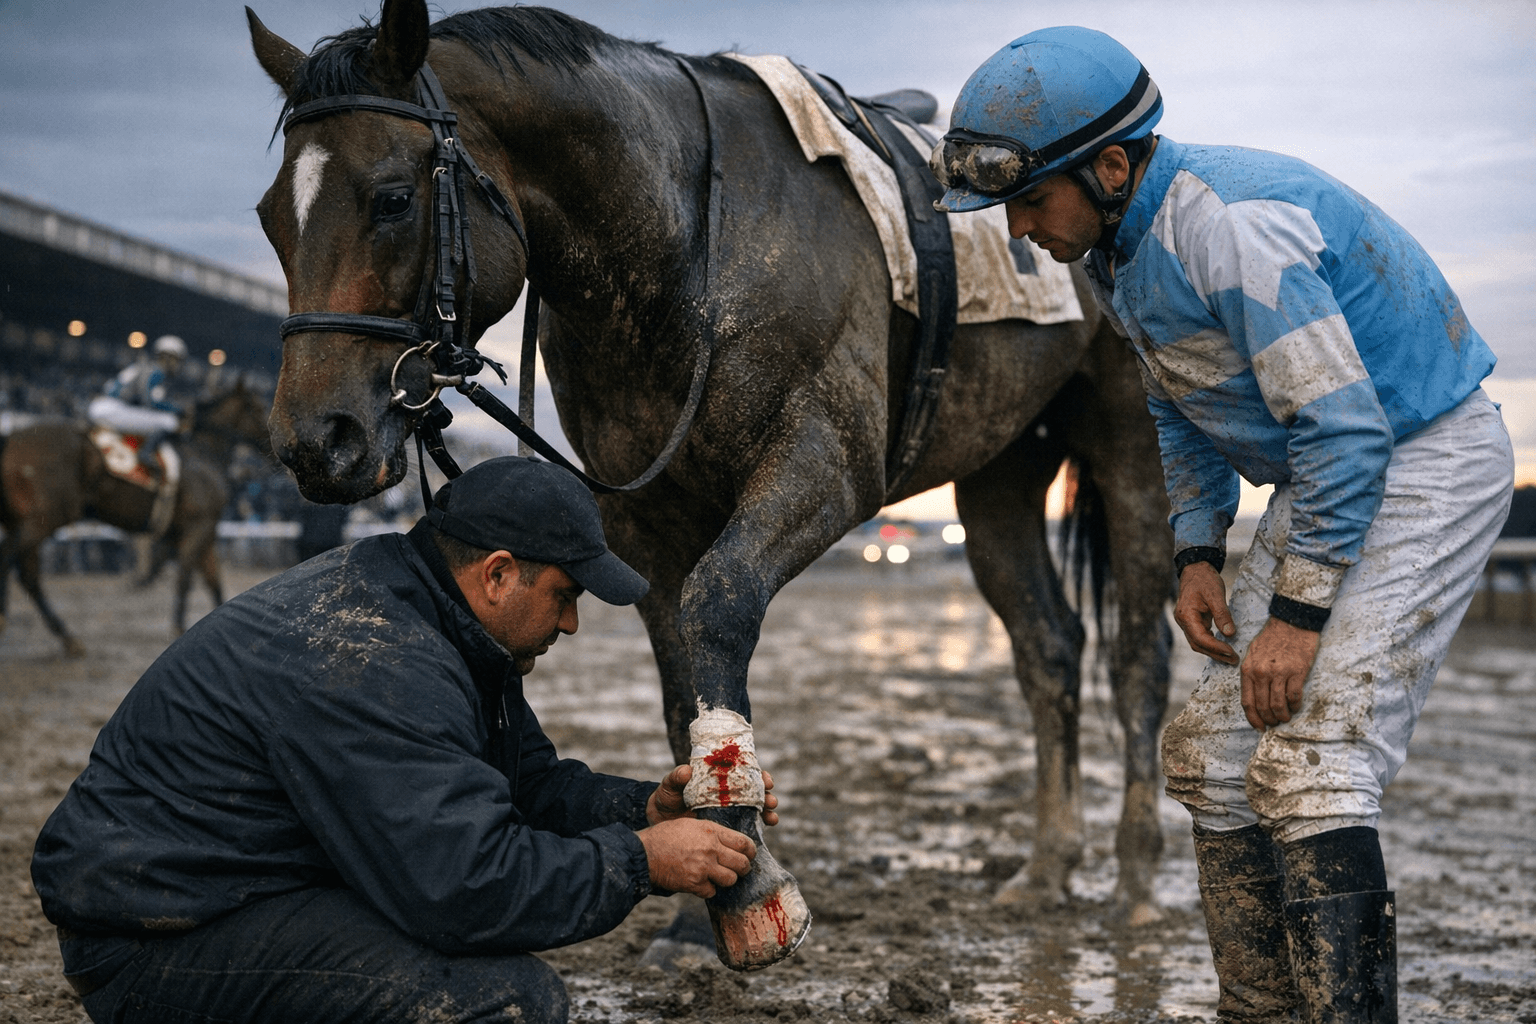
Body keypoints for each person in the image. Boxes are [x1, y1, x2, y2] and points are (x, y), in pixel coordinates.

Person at [932, 27, 1513, 1023]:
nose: (1021, 229)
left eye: (1032, 199)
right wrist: (1196, 548)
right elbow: (1178, 401)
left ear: (1111, 165)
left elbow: (1343, 428)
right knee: (1206, 747)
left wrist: (1293, 616)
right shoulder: (1116, 255)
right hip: (1336, 467)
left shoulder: (1228, 232)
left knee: (1316, 760)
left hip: (1423, 454)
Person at [32, 456, 777, 1024]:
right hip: (154, 939)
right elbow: (464, 890)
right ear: (498, 574)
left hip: (227, 888)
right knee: (506, 1002)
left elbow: (525, 783)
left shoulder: (431, 613)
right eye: (566, 596)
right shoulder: (380, 659)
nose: (571, 624)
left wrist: (644, 810)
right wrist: (641, 864)